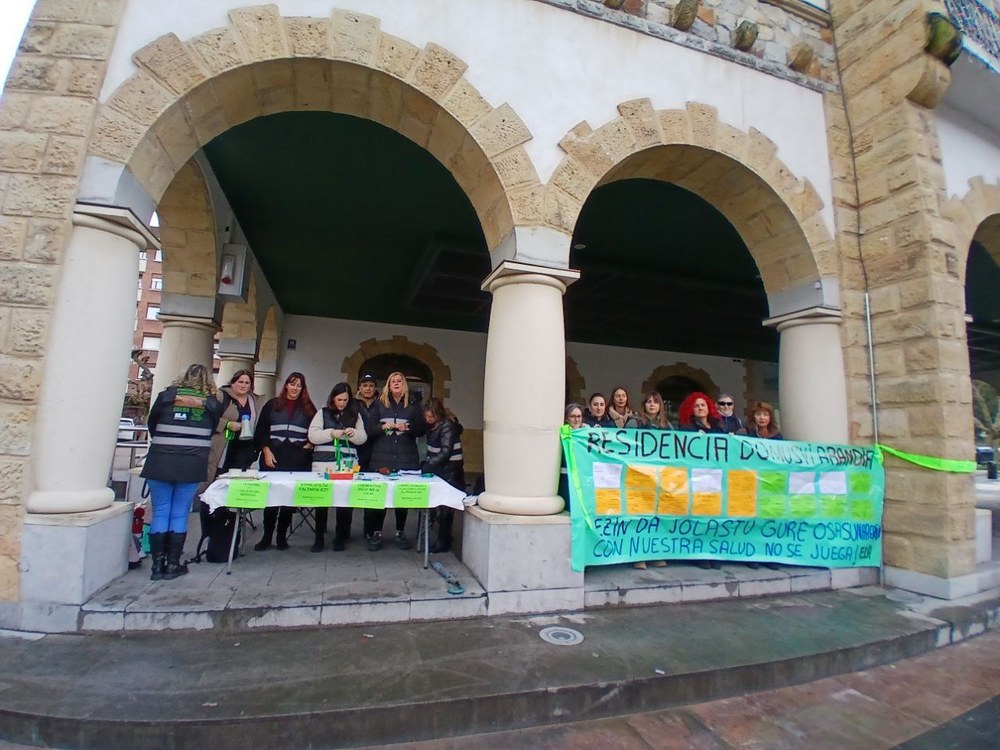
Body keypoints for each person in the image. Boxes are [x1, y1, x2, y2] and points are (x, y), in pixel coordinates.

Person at [141, 363, 226, 581]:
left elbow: (152, 424)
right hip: (191, 462)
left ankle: (157, 566)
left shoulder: (166, 397)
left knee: (161, 511)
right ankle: (173, 564)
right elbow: (211, 429)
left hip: (160, 460)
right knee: (179, 512)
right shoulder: (211, 404)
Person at [253, 372, 317, 551]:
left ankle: (281, 537)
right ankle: (267, 536)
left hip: (297, 458)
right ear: (286, 385)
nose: (295, 388)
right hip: (274, 456)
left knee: (288, 499)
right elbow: (262, 430)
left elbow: (316, 429)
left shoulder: (309, 408)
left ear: (303, 388)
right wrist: (266, 450)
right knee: (272, 498)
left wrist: (309, 444)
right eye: (292, 384)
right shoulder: (272, 405)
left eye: (299, 385)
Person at [364, 371, 427, 551]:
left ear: (404, 385)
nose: (397, 384)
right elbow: (370, 429)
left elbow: (422, 429)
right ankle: (377, 532)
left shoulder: (414, 406)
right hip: (382, 457)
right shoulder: (379, 404)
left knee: (402, 496)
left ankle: (400, 531)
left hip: (406, 457)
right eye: (393, 381)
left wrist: (408, 427)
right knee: (381, 496)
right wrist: (384, 427)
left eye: (400, 381)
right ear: (389, 386)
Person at [308, 382, 367, 552]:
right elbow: (312, 435)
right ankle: (319, 538)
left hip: (346, 465)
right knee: (322, 502)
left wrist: (353, 434)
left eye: (345, 400)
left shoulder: (355, 415)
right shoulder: (323, 413)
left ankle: (341, 537)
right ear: (333, 398)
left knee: (344, 501)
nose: (342, 403)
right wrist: (331, 433)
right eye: (339, 399)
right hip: (324, 464)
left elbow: (363, 437)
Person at [677, 391, 723, 570]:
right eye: (696, 406)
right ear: (691, 410)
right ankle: (697, 554)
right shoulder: (687, 428)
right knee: (697, 517)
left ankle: (713, 552)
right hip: (696, 479)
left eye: (703, 405)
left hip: (716, 480)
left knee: (714, 516)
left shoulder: (719, 427)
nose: (700, 408)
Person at [625, 391, 671, 569]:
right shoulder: (634, 423)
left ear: (660, 406)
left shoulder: (668, 427)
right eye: (649, 402)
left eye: (656, 402)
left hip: (660, 479)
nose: (652, 405)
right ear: (643, 405)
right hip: (639, 478)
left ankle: (656, 552)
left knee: (658, 517)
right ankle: (638, 556)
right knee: (640, 517)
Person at [421, 397, 464, 554]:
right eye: (426, 416)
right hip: (440, 469)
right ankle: (442, 539)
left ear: (438, 414)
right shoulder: (434, 425)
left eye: (431, 416)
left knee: (446, 509)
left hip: (450, 471)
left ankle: (443, 541)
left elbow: (446, 451)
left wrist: (427, 466)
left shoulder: (447, 426)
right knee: (440, 507)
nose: (428, 419)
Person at [558, 403, 586, 511]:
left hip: (582, 477)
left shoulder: (586, 434)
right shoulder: (563, 432)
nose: (576, 420)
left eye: (579, 416)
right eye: (573, 416)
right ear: (566, 418)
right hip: (566, 477)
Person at [355, 374, 379, 472]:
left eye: (371, 386)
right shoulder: (352, 404)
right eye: (365, 385)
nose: (368, 389)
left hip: (377, 449)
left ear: (375, 388)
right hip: (357, 449)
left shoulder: (382, 404)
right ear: (359, 388)